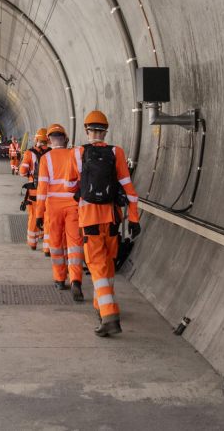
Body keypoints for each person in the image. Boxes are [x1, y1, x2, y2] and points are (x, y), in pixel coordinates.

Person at [75, 110, 141, 337]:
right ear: (105, 131)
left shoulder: (80, 152)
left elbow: (71, 185)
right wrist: (134, 218)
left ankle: (110, 315)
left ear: (87, 130)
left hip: (90, 219)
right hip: (113, 219)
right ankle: (100, 306)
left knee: (96, 267)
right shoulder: (117, 152)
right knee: (108, 266)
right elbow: (130, 190)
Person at [36, 123, 85, 302]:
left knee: (55, 243)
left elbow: (42, 189)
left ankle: (59, 279)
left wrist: (39, 213)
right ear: (66, 139)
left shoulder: (46, 159)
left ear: (49, 141)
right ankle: (76, 280)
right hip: (74, 206)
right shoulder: (75, 154)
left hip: (53, 208)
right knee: (75, 244)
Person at [18, 129, 49, 251]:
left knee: (34, 216)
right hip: (48, 192)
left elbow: (22, 172)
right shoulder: (51, 153)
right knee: (47, 217)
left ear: (36, 140)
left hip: (34, 192)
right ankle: (47, 246)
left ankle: (32, 243)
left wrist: (30, 175)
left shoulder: (29, 154)